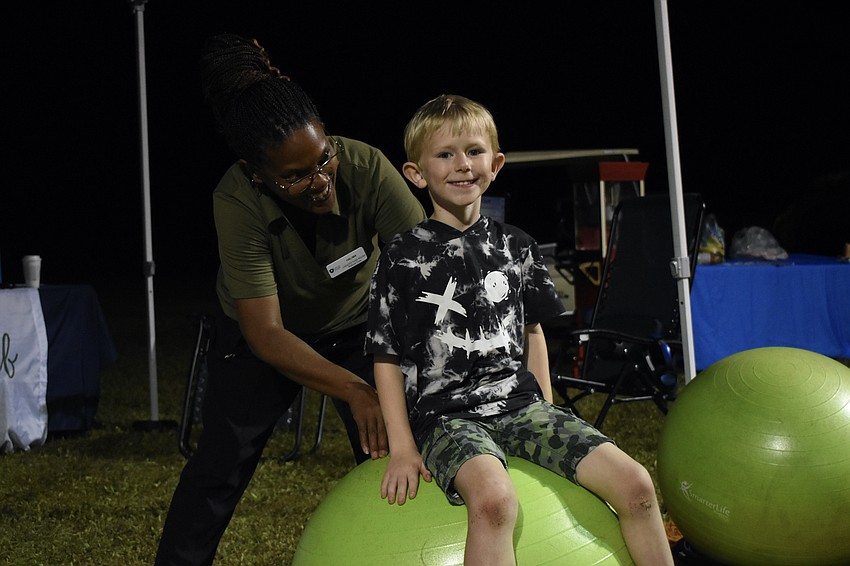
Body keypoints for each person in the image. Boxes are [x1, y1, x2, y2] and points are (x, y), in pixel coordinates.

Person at [364, 94, 674, 566]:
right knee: (494, 502)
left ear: (496, 163)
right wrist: (403, 447)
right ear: (416, 174)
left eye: (473, 151)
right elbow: (385, 356)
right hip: (447, 418)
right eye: (445, 154)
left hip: (521, 407)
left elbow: (533, 335)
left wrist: (547, 411)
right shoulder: (402, 256)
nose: (462, 165)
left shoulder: (517, 246)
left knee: (637, 485)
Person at [155, 34, 426, 565]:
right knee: (219, 466)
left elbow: (425, 271)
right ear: (259, 175)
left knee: (392, 444)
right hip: (269, 340)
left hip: (357, 326)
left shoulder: (366, 168)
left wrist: (392, 376)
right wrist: (355, 389)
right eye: (295, 176)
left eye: (324, 160)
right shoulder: (236, 200)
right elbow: (266, 334)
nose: (320, 180)